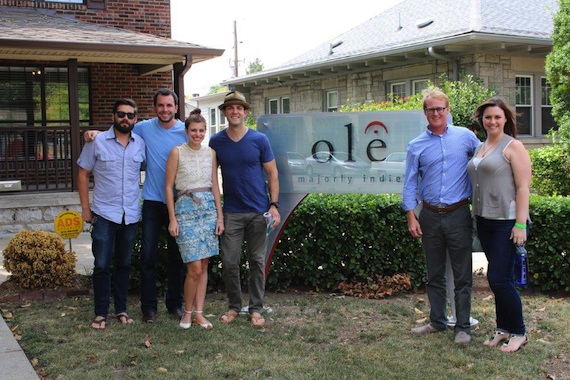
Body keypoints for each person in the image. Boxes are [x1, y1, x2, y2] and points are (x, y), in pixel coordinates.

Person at [85, 88, 187, 323]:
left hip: (179, 202)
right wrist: (93, 134)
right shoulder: (143, 128)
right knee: (147, 258)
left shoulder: (185, 130)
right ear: (154, 109)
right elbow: (119, 131)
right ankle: (148, 308)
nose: (165, 110)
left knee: (177, 257)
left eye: (169, 105)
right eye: (160, 105)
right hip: (151, 201)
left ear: (176, 108)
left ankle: (175, 304)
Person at [402, 87, 480, 344]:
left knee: (462, 274)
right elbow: (410, 183)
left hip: (459, 213)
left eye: (440, 108)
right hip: (430, 215)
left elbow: (487, 158)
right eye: (430, 109)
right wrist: (411, 216)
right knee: (434, 273)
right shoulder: (416, 146)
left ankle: (463, 327)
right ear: (424, 112)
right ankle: (437, 321)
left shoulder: (466, 137)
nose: (435, 113)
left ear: (448, 110)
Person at [209, 91, 281, 328]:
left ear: (246, 112)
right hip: (231, 212)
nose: (235, 111)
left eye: (239, 108)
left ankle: (256, 308)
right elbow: (212, 179)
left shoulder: (259, 140)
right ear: (224, 112)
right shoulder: (216, 142)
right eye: (230, 108)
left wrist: (274, 205)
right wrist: (218, 212)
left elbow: (272, 173)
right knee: (229, 262)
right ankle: (234, 306)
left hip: (259, 211)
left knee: (257, 262)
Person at [467, 97, 531, 352]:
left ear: (505, 119)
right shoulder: (480, 147)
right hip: (484, 220)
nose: (492, 121)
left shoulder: (513, 146)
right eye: (488, 117)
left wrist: (520, 225)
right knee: (498, 278)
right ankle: (503, 328)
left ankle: (519, 331)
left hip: (507, 222)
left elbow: (523, 187)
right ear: (482, 120)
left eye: (497, 117)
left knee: (499, 279)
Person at [77, 98, 146, 330]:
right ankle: (100, 313)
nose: (125, 118)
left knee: (125, 264)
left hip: (130, 215)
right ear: (113, 116)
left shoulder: (140, 144)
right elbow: (83, 173)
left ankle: (121, 309)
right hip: (104, 214)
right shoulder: (96, 142)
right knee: (102, 265)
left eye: (130, 115)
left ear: (135, 119)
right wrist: (85, 208)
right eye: (121, 114)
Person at [165, 109, 224, 330]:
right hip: (185, 209)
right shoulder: (177, 152)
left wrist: (220, 216)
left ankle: (199, 313)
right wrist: (172, 218)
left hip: (208, 210)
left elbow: (215, 186)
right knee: (194, 268)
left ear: (205, 132)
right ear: (186, 131)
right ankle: (186, 312)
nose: (197, 134)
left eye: (201, 131)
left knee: (205, 264)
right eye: (193, 130)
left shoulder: (211, 153)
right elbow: (168, 188)